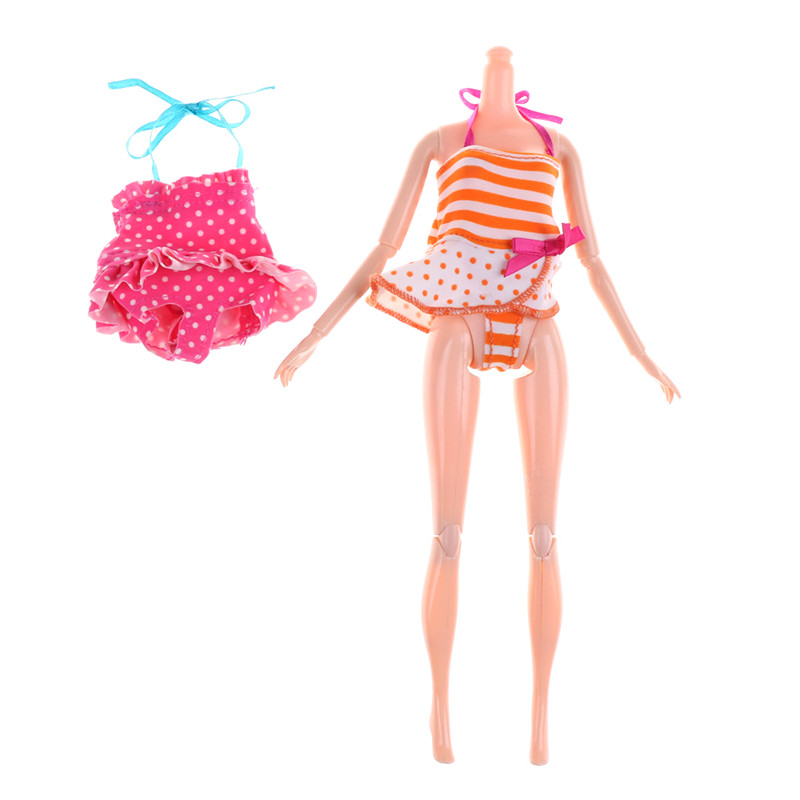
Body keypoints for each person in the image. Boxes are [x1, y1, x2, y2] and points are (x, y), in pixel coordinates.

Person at [276, 47, 679, 764]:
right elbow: (384, 245)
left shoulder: (559, 147)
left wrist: (641, 353)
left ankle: (540, 721)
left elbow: (593, 258)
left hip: (535, 319)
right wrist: (316, 334)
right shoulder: (440, 141)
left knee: (545, 533)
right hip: (456, 316)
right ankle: (439, 713)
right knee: (448, 532)